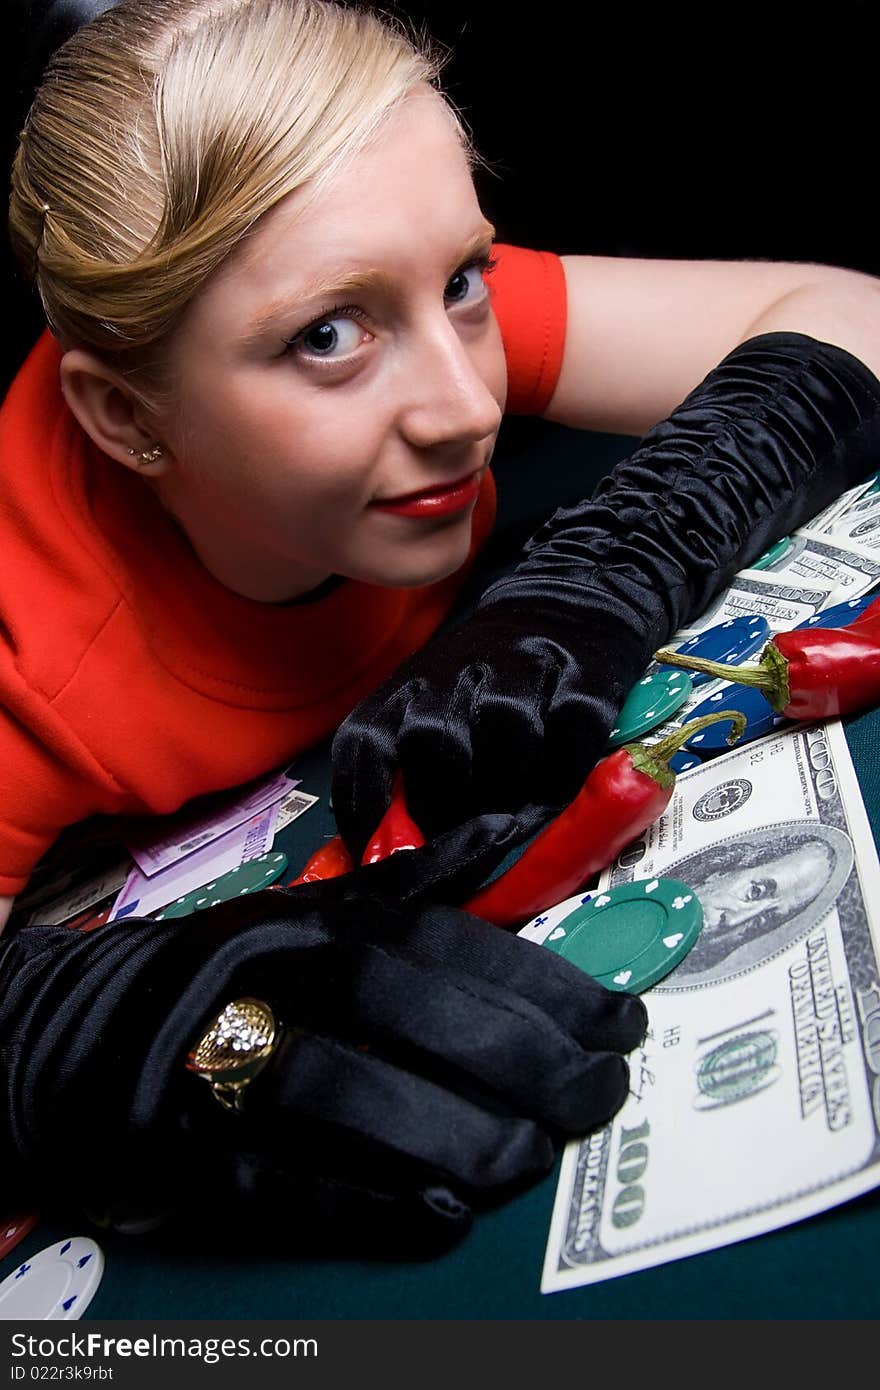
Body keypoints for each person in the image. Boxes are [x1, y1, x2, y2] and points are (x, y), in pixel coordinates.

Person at [2, 0, 880, 1253]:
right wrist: (89, 1025)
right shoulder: (24, 647)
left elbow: (854, 317)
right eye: (326, 339)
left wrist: (601, 569)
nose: (470, 407)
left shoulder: (404, 302)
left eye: (463, 278)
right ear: (125, 417)